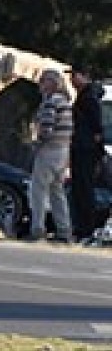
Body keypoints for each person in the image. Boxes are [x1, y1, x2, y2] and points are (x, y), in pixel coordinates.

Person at [28, 67, 73, 242]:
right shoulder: (65, 102)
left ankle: (37, 229)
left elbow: (46, 129)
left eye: (44, 80)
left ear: (53, 84)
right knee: (57, 191)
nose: (40, 83)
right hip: (63, 150)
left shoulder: (50, 102)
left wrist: (36, 145)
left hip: (49, 150)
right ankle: (64, 230)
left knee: (38, 190)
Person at [68, 67, 103, 241]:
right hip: (79, 147)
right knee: (78, 189)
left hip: (86, 149)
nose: (72, 79)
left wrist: (94, 150)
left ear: (86, 77)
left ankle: (87, 228)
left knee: (85, 188)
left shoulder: (90, 98)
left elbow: (97, 129)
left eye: (76, 75)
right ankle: (81, 226)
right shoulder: (82, 96)